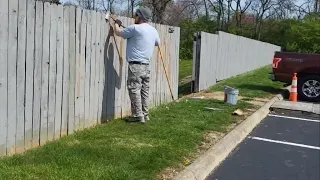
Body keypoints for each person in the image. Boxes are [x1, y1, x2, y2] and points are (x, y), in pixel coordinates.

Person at [112, 6, 160, 123]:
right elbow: (157, 43)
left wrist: (117, 24)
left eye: (136, 15)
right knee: (144, 91)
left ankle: (138, 116)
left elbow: (118, 33)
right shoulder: (153, 31)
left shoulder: (135, 28)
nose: (134, 17)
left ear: (140, 16)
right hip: (146, 66)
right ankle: (145, 114)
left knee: (134, 89)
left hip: (135, 66)